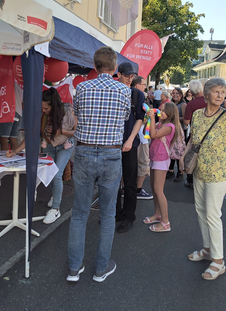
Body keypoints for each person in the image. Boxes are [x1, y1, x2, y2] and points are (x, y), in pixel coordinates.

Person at [67, 47, 131, 283]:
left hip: (83, 151)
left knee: (79, 213)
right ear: (115, 68)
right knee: (107, 214)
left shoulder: (82, 88)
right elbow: (124, 118)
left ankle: (74, 268)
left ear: (94, 66)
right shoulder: (124, 90)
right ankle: (100, 269)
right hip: (111, 155)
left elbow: (77, 115)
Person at [179, 77, 226, 280]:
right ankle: (208, 249)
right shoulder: (198, 115)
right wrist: (184, 157)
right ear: (207, 94)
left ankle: (218, 262)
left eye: (223, 92)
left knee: (212, 214)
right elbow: (193, 139)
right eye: (217, 91)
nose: (220, 95)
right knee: (201, 210)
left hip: (219, 173)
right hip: (200, 169)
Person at [7, 87, 75, 224]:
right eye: (42, 108)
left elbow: (77, 132)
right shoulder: (41, 115)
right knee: (50, 174)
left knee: (56, 174)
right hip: (48, 145)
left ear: (54, 105)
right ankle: (56, 196)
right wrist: (15, 151)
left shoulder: (68, 111)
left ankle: (56, 209)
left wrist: (60, 131)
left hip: (65, 146)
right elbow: (31, 135)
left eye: (46, 108)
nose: (43, 110)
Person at [116, 63, 145, 233]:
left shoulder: (137, 94)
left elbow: (140, 119)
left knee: (130, 182)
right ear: (118, 74)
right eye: (127, 75)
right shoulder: (111, 91)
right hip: (111, 144)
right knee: (112, 182)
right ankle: (116, 213)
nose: (129, 78)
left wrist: (130, 140)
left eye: (132, 76)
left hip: (130, 144)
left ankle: (128, 216)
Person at [143, 102, 180, 232]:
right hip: (154, 157)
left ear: (170, 113)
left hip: (161, 159)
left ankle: (165, 222)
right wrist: (148, 120)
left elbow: (153, 135)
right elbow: (146, 133)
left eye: (164, 111)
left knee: (159, 190)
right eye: (160, 110)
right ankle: (157, 214)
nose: (160, 112)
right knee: (154, 187)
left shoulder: (169, 126)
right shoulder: (160, 124)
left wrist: (152, 119)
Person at [131, 76, 153, 200]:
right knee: (143, 163)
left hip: (132, 136)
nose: (145, 86)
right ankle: (138, 190)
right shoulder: (140, 99)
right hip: (141, 136)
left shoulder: (128, 96)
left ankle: (127, 188)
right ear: (138, 86)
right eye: (143, 84)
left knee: (131, 163)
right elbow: (142, 119)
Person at [183, 80, 207, 189]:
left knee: (191, 156)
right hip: (210, 133)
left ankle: (191, 180)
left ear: (191, 91)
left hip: (196, 134)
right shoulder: (209, 101)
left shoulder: (191, 104)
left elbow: (186, 122)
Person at [167, 88, 187, 181]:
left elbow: (185, 119)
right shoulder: (171, 104)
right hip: (171, 130)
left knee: (179, 151)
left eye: (177, 93)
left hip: (180, 130)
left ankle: (180, 172)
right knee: (171, 149)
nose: (175, 95)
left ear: (181, 95)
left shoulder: (183, 105)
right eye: (173, 93)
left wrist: (174, 118)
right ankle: (170, 170)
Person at [0, 82, 23, 151]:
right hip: (19, 113)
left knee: (4, 138)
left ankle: (5, 158)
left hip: (8, 112)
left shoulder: (4, 84)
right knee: (13, 137)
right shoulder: (18, 86)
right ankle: (15, 158)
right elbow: (23, 103)